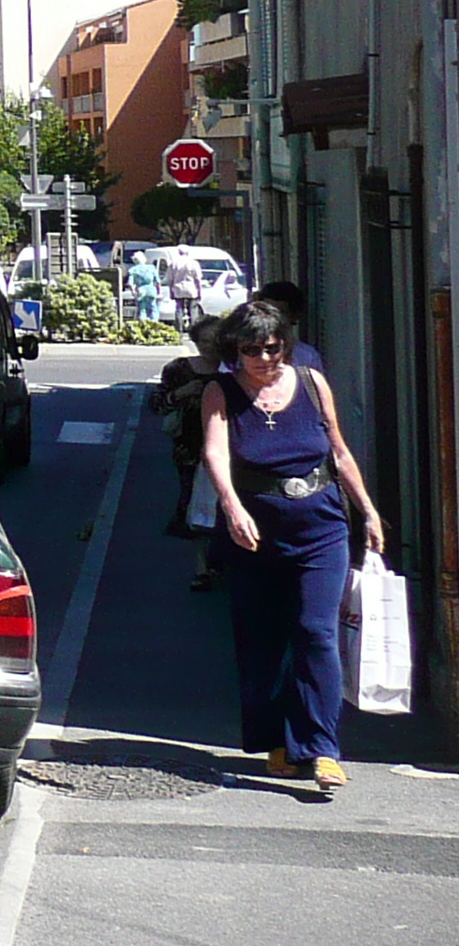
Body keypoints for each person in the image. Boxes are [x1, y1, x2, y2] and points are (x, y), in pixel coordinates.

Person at [203, 300, 385, 792]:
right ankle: (276, 740)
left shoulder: (310, 382)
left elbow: (339, 452)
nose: (265, 358)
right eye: (252, 350)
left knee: (316, 632)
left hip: (321, 525)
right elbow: (215, 453)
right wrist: (231, 505)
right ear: (234, 351)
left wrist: (366, 510)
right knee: (264, 640)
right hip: (255, 533)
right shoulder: (220, 392)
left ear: (286, 343)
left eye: (273, 347)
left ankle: (322, 749)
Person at [152, 316, 224, 589]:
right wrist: (181, 393)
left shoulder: (234, 368)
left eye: (216, 341)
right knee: (194, 503)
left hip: (230, 446)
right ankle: (202, 566)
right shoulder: (179, 369)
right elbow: (157, 404)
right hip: (190, 446)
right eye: (205, 341)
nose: (210, 347)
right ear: (195, 342)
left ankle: (221, 559)